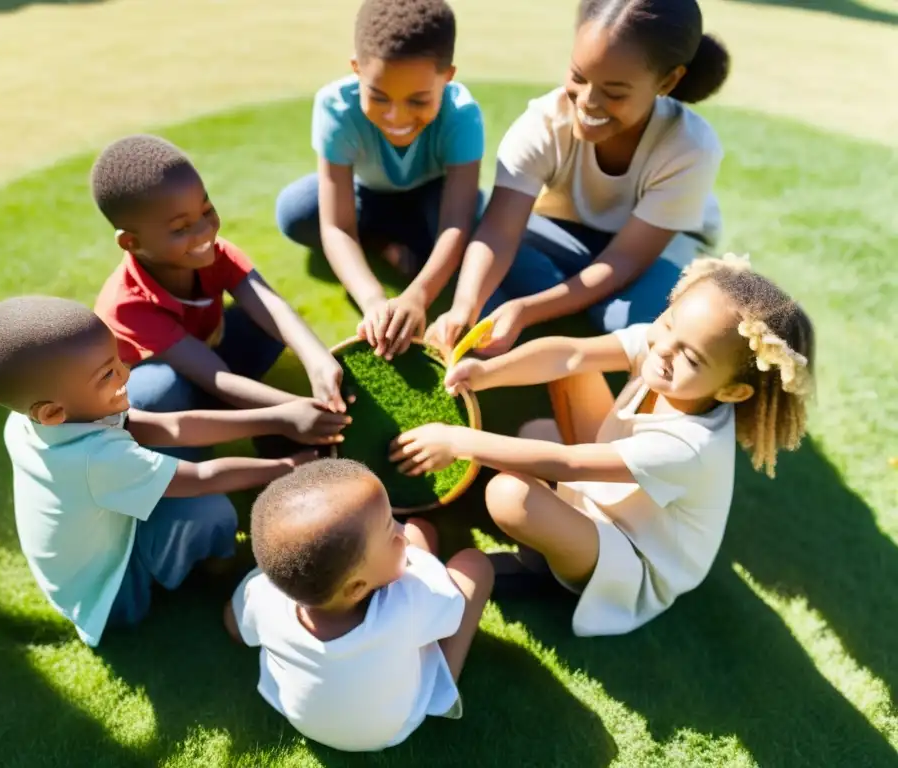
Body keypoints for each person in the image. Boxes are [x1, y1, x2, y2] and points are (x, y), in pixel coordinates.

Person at [392, 255, 814, 636]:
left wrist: (460, 441)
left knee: (510, 495)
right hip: (613, 500)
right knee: (556, 399)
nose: (663, 348)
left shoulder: (691, 447)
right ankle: (559, 529)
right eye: (668, 322)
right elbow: (570, 356)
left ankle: (551, 574)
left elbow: (569, 463)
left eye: (691, 358)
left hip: (630, 560)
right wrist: (488, 373)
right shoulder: (662, 347)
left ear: (733, 392)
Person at [0, 296, 346, 646]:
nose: (126, 372)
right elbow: (202, 479)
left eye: (117, 359)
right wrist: (289, 467)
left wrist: (278, 419)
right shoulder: (96, 460)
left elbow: (173, 427)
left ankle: (181, 542)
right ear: (52, 412)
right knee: (207, 511)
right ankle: (213, 566)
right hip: (111, 594)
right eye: (107, 375)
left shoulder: (35, 419)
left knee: (158, 385)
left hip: (87, 555)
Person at [428, 0, 731, 357]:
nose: (587, 102)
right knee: (481, 267)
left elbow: (625, 260)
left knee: (629, 326)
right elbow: (498, 232)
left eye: (615, 92)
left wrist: (527, 310)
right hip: (569, 233)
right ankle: (566, 301)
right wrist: (465, 306)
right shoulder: (542, 124)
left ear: (667, 81)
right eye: (578, 76)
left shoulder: (690, 147)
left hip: (659, 248)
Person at [91, 134, 347, 461]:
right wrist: (288, 410)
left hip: (203, 358)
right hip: (163, 395)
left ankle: (237, 416)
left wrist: (319, 360)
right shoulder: (126, 306)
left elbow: (271, 306)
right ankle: (189, 450)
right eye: (180, 228)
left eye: (206, 210)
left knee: (261, 326)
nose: (204, 233)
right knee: (159, 391)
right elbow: (214, 375)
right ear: (131, 242)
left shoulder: (213, 252)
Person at [225, 459, 494, 751]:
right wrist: (417, 544)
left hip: (302, 720)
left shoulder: (262, 594)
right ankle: (442, 683)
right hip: (392, 729)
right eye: (391, 532)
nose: (400, 535)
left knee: (417, 535)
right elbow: (450, 614)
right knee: (468, 562)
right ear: (356, 588)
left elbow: (234, 625)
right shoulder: (406, 601)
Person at [275, 0, 485, 361]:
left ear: (447, 77)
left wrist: (418, 295)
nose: (395, 116)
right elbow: (336, 225)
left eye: (418, 100)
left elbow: (455, 223)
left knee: (471, 238)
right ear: (357, 69)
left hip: (434, 201)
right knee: (296, 212)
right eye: (378, 96)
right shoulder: (335, 107)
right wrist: (372, 299)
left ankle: (404, 249)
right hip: (368, 197)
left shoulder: (463, 114)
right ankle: (384, 243)